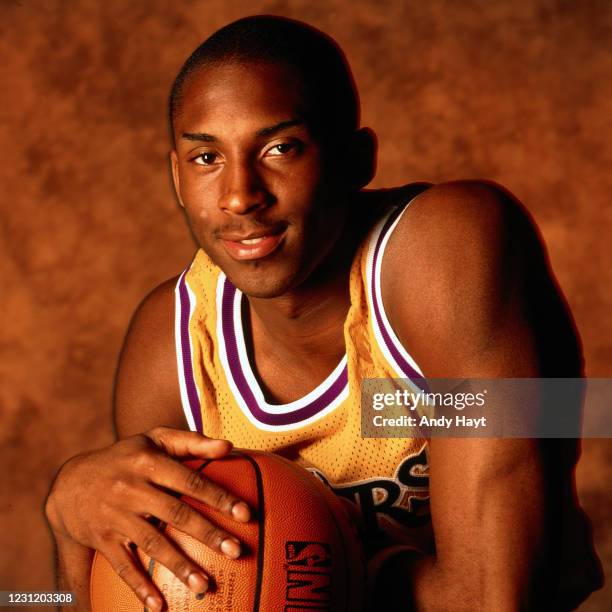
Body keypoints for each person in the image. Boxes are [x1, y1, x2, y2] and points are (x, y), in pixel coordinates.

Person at [45, 15, 602, 611]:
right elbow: (136, 593)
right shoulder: (172, 346)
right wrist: (74, 513)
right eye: (206, 157)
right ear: (176, 177)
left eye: (281, 148)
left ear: (356, 160)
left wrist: (306, 576)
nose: (240, 195)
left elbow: (497, 599)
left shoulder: (450, 250)